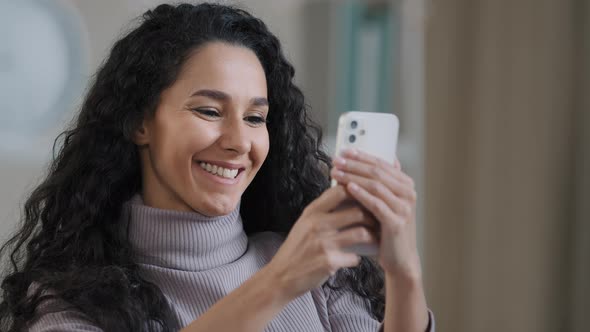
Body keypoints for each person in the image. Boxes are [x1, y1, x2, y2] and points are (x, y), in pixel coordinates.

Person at [0, 3, 434, 332]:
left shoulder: (317, 274)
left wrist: (404, 271)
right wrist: (279, 283)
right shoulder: (67, 305)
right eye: (209, 111)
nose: (237, 141)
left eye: (254, 118)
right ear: (139, 122)